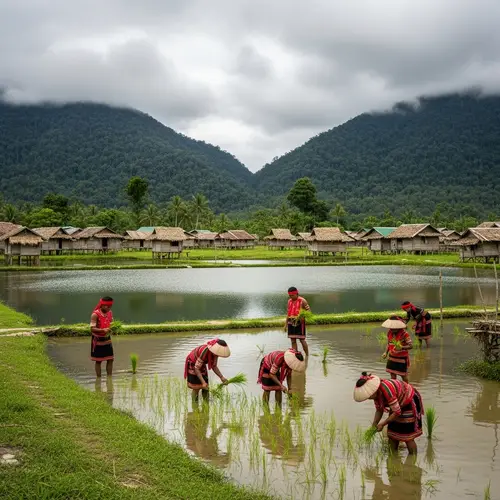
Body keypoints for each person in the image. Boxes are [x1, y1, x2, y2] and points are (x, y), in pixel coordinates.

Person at [353, 371, 424, 455]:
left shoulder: (386, 389)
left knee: (407, 436)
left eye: (369, 396)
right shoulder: (376, 395)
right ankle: (393, 459)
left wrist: (382, 424)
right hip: (397, 405)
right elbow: (379, 410)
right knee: (392, 434)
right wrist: (374, 425)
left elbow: (397, 412)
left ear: (373, 391)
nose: (369, 398)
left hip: (409, 401)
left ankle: (412, 460)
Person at [381, 316, 413, 382]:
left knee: (403, 376)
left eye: (394, 328)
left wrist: (402, 347)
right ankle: (395, 387)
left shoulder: (404, 334)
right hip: (392, 357)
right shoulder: (389, 333)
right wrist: (386, 352)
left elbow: (411, 346)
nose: (392, 329)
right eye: (391, 328)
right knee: (392, 375)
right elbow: (389, 343)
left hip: (401, 358)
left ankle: (407, 388)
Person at [90, 296, 114, 377]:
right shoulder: (95, 314)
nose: (109, 308)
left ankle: (109, 378)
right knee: (99, 361)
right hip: (98, 340)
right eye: (107, 306)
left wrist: (112, 328)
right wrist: (103, 330)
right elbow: (92, 329)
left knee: (110, 359)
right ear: (102, 305)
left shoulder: (110, 313)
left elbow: (111, 323)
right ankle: (99, 378)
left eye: (110, 306)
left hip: (107, 339)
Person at [284, 286, 310, 356]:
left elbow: (309, 312)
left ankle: (307, 355)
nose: (291, 297)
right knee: (293, 340)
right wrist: (285, 325)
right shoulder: (289, 301)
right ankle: (295, 355)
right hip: (291, 322)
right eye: (290, 295)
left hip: (300, 323)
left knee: (302, 340)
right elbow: (288, 313)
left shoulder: (303, 301)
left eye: (292, 295)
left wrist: (302, 317)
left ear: (296, 293)